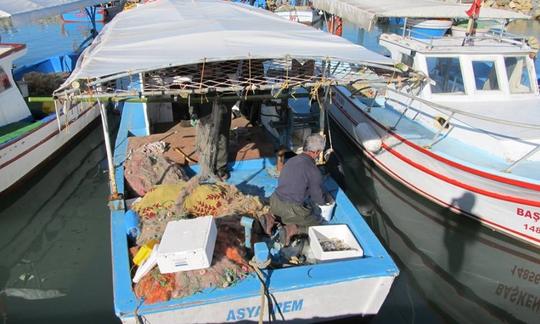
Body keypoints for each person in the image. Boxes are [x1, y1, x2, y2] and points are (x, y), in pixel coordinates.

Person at [264, 134, 328, 244]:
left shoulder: (291, 160)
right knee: (319, 226)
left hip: (274, 202)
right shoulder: (314, 171)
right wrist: (325, 200)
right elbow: (318, 199)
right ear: (317, 152)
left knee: (283, 211)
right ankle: (292, 229)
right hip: (292, 210)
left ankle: (270, 218)